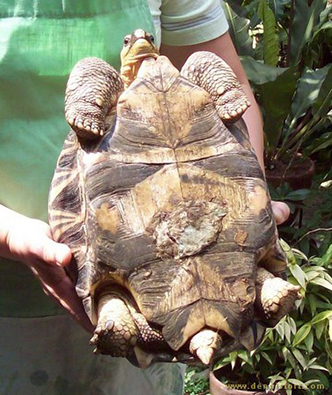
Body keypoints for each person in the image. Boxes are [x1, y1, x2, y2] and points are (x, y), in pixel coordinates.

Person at [0, 1, 289, 394]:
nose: (141, 40)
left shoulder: (136, 75)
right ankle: (124, 310)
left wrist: (249, 189)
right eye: (132, 39)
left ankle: (122, 312)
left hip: (206, 222)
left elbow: (231, 85)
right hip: (10, 293)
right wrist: (7, 232)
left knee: (129, 309)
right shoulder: (101, 80)